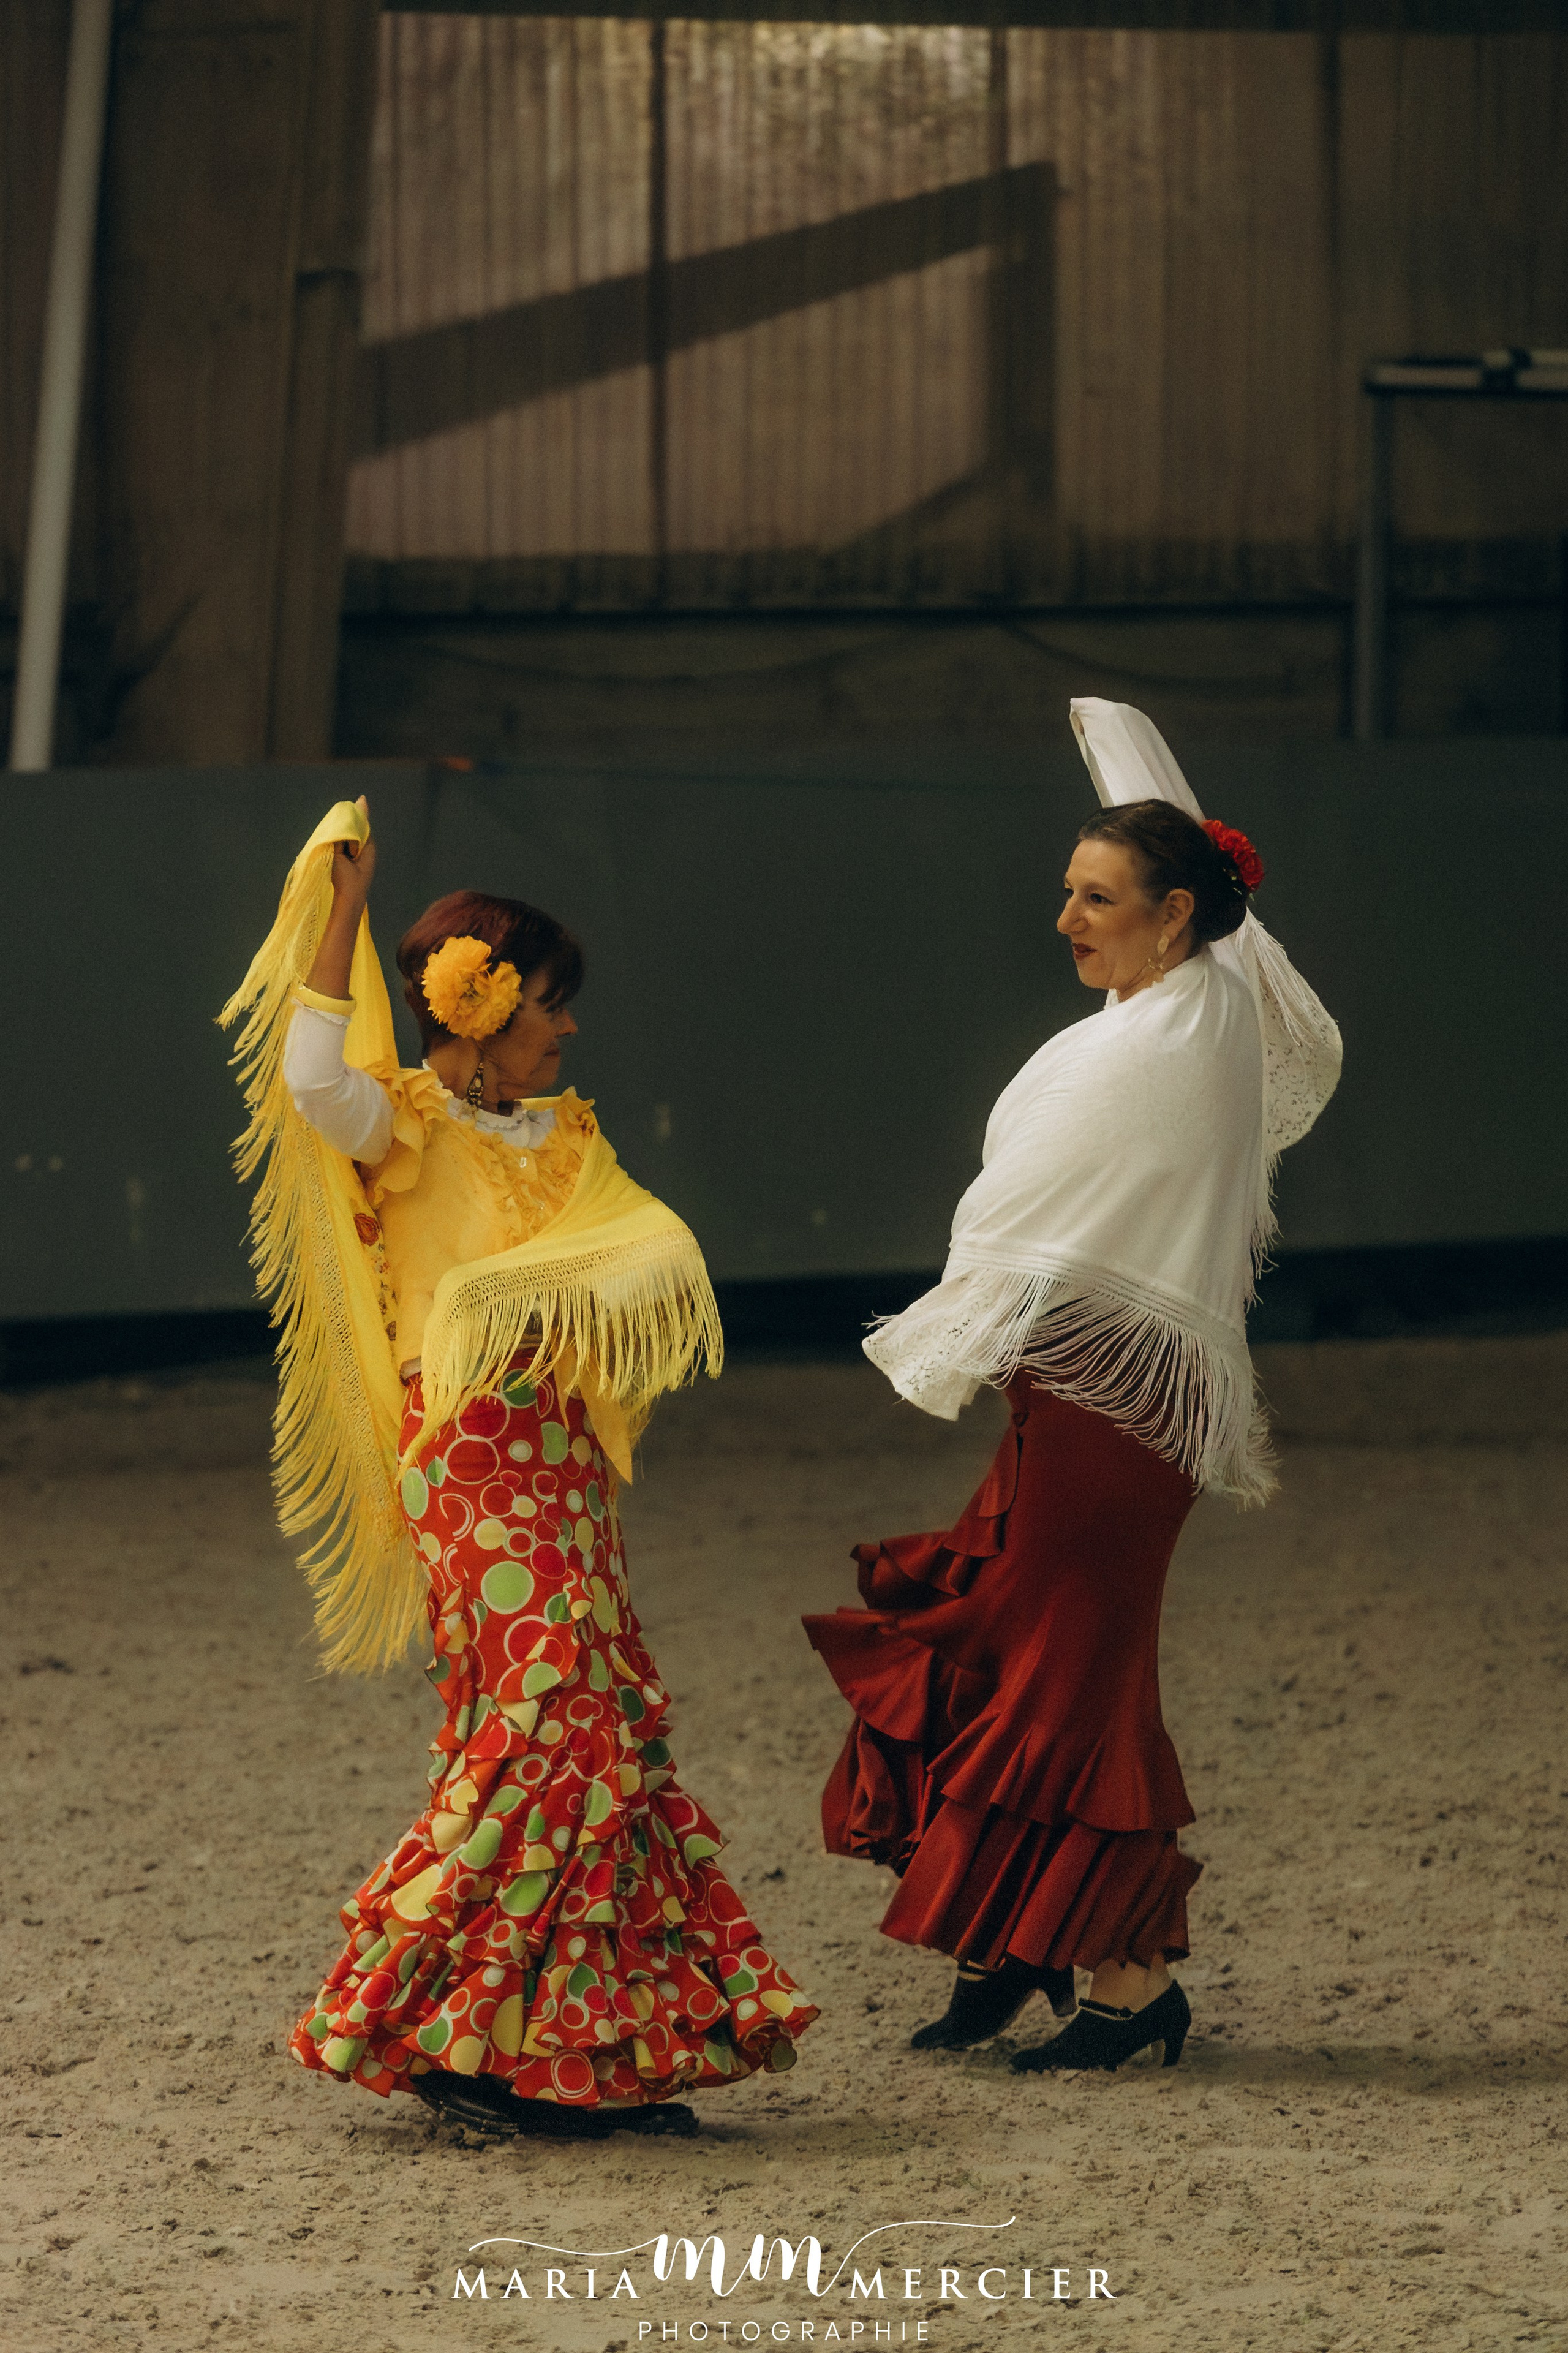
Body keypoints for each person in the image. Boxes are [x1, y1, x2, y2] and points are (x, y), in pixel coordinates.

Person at [223, 797, 815, 2139]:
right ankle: (448, 2026)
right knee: (552, 1725)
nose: (566, 1024)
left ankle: (570, 2054)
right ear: (478, 1002)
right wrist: (340, 913)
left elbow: (630, 1257)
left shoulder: (568, 1135)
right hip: (472, 1457)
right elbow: (313, 1078)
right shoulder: (407, 1120)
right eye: (549, 1000)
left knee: (599, 1732)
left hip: (558, 1458)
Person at [803, 700, 1341, 2073]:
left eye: (1095, 898)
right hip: (1081, 1392)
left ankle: (1127, 1979)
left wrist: (948, 1322)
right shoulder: (1181, 998)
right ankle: (1013, 1943)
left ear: (1175, 917)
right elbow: (1191, 849)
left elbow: (1022, 1208)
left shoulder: (1171, 1035)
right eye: (1063, 892)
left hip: (1116, 1414)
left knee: (1069, 1676)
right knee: (1006, 1642)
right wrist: (1116, 743)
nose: (1065, 919)